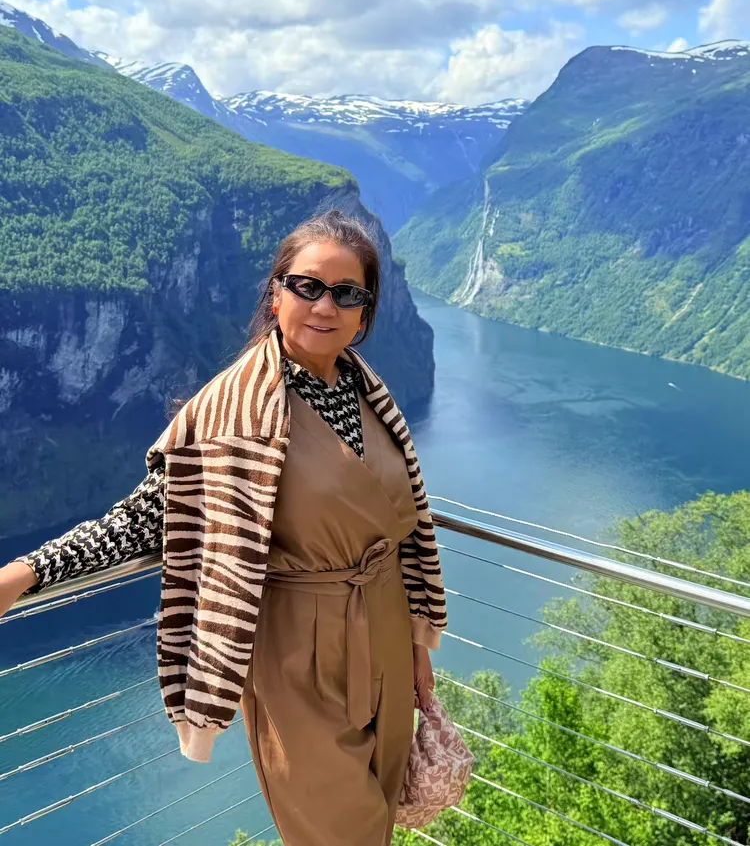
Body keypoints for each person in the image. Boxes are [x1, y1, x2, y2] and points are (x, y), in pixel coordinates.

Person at [0, 208, 448, 846]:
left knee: (378, 819)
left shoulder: (364, 392)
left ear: (365, 313)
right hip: (299, 655)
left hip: (386, 632)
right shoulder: (232, 412)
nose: (325, 306)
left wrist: (414, 647)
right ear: (276, 294)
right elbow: (146, 518)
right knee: (340, 832)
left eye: (347, 293)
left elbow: (399, 531)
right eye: (307, 286)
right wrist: (26, 571)